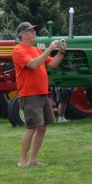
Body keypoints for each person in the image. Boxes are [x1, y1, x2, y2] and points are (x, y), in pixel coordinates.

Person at [12, 22, 65, 167]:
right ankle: (22, 161)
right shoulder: (18, 50)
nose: (34, 33)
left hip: (42, 93)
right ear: (22, 34)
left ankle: (33, 159)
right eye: (31, 31)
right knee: (32, 127)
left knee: (42, 126)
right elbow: (33, 65)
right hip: (29, 95)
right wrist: (49, 49)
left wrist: (61, 52)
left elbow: (53, 64)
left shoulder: (35, 49)